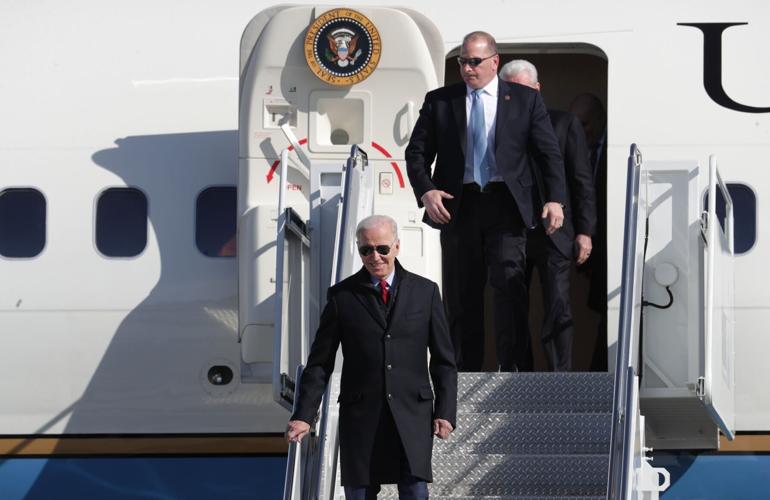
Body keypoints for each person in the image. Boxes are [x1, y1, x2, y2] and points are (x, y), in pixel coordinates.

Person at [405, 31, 567, 372]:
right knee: (462, 295)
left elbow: (548, 153)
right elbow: (416, 153)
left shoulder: (523, 100)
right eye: (463, 62)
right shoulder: (440, 101)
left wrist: (554, 200)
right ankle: (463, 373)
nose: (467, 69)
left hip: (506, 206)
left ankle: (514, 371)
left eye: (475, 62)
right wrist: (426, 190)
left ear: (495, 62)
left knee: (509, 288)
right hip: (458, 206)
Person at [285, 215, 457, 500]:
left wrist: (445, 411)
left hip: (412, 414)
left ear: (397, 247)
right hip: (362, 416)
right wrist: (304, 415)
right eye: (366, 250)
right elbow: (320, 363)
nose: (375, 257)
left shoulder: (425, 292)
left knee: (415, 492)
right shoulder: (342, 296)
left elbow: (443, 360)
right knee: (359, 494)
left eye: (382, 249)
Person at [498, 60, 597, 371]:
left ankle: (560, 375)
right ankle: (517, 373)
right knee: (511, 305)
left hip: (555, 231)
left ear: (537, 89)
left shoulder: (564, 123)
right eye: (509, 92)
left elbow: (581, 180)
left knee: (558, 305)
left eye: (523, 90)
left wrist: (585, 231)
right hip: (511, 230)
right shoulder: (492, 127)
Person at [569, 93, 608, 372]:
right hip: (594, 252)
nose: (581, 132)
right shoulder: (583, 151)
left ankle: (601, 368)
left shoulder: (609, 150)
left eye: (584, 124)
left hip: (608, 247)